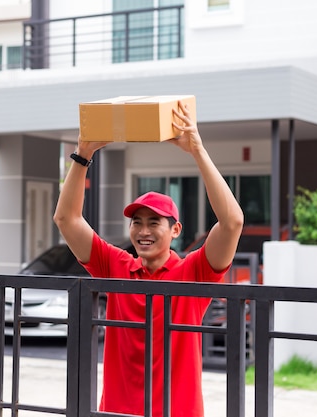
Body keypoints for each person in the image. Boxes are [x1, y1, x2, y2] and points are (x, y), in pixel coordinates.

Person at [53, 101, 244, 417]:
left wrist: (197, 150)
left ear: (175, 230)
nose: (143, 231)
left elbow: (232, 221)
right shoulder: (116, 265)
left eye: (154, 222)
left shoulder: (194, 271)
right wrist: (82, 154)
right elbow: (66, 219)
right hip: (118, 411)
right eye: (136, 222)